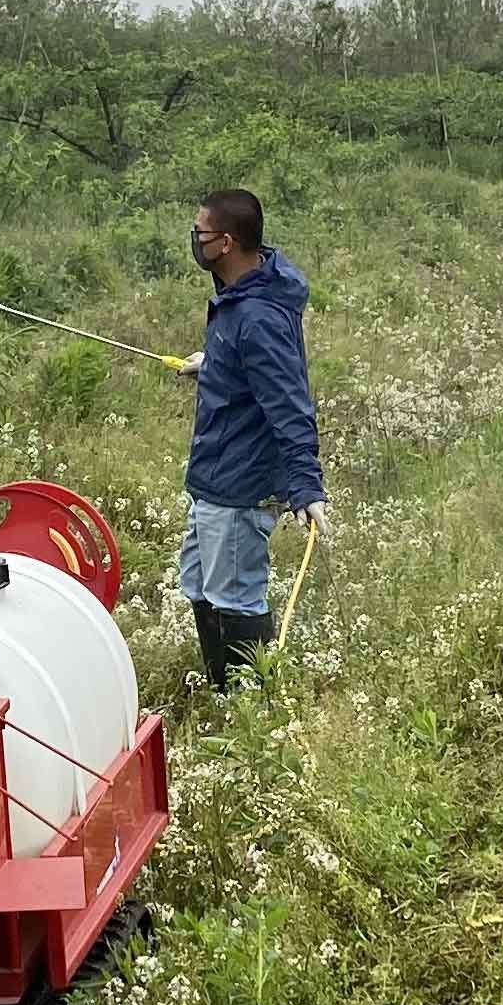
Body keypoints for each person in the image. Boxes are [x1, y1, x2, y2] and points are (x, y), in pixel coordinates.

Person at [176, 187, 328, 687]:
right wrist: (214, 363)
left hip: (240, 486)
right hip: (214, 477)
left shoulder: (258, 316)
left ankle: (250, 714)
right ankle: (223, 693)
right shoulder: (241, 298)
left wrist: (306, 486)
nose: (194, 240)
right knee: (200, 585)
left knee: (234, 598)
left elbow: (289, 404)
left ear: (226, 242)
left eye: (200, 232)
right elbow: (248, 366)